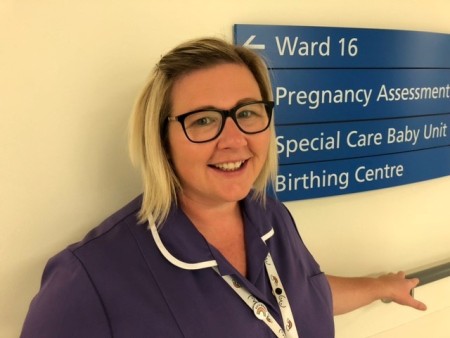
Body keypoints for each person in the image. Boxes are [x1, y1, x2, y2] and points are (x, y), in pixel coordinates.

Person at [21, 37, 426, 338]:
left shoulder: (270, 215)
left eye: (247, 113)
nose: (234, 140)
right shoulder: (89, 279)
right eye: (203, 120)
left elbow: (303, 296)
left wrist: (379, 287)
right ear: (160, 140)